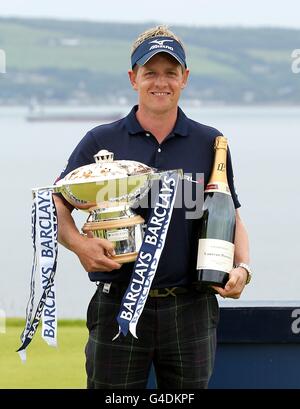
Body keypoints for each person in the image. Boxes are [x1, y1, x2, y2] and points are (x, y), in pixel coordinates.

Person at [53, 25, 250, 389]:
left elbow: (231, 214)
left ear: (185, 78)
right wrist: (81, 246)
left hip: (192, 306)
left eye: (171, 73)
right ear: (133, 78)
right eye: (150, 72)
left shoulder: (211, 142)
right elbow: (57, 204)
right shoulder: (100, 140)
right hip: (118, 304)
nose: (161, 82)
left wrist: (243, 269)